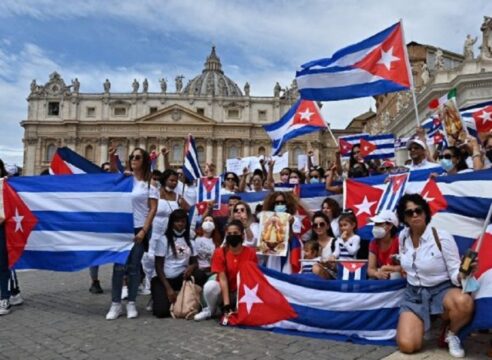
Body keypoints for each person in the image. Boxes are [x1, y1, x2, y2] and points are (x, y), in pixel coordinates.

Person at [395, 194, 475, 358]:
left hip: (441, 290)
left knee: (464, 302)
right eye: (410, 213)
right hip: (414, 294)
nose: (415, 215)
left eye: (419, 210)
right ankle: (428, 324)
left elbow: (454, 271)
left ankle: (452, 333)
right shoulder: (403, 237)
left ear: (426, 212)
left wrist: (463, 274)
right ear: (404, 218)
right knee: (408, 346)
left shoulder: (442, 237)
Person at [106, 147, 158, 320]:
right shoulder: (125, 179)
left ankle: (131, 303)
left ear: (144, 161)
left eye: (137, 157)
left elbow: (152, 209)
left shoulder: (151, 183)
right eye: (131, 157)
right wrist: (112, 157)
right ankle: (115, 304)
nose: (134, 159)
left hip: (139, 228)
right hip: (122, 227)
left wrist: (144, 230)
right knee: (119, 267)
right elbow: (112, 174)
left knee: (134, 268)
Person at [193, 220, 258, 321]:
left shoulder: (251, 253)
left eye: (235, 233)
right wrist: (226, 305)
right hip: (224, 290)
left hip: (242, 290)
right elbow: (222, 279)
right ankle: (210, 310)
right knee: (210, 286)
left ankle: (237, 308)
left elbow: (250, 279)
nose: (232, 236)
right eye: (229, 234)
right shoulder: (220, 252)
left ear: (242, 235)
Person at [151, 209, 207, 318]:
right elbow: (158, 266)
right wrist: (168, 289)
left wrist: (191, 267)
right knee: (161, 312)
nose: (180, 224)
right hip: (164, 280)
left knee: (200, 275)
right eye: (177, 221)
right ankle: (163, 296)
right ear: (171, 222)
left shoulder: (190, 241)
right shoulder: (163, 240)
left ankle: (193, 299)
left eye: (183, 221)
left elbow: (195, 262)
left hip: (181, 277)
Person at [142, 169, 188, 297]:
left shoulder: (178, 196)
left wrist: (183, 204)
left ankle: (158, 289)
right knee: (150, 259)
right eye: (171, 180)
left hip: (169, 235)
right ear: (164, 180)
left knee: (163, 260)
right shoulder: (154, 194)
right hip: (155, 231)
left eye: (175, 181)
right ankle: (148, 285)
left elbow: (188, 209)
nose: (174, 183)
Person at [89, 162, 111, 295]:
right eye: (106, 170)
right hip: (98, 224)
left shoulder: (119, 186)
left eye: (110, 170)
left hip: (113, 224)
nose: (109, 172)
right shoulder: (96, 187)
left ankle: (122, 281)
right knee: (94, 254)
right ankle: (94, 281)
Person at [367, 210, 401, 280]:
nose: (375, 227)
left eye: (379, 224)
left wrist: (388, 268)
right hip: (381, 277)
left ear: (390, 226)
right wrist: (377, 274)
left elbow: (407, 267)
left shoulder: (399, 241)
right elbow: (370, 269)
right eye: (375, 224)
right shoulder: (374, 242)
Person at [309, 212, 339, 279]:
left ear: (328, 226)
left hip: (332, 278)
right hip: (312, 275)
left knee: (316, 268)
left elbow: (340, 268)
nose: (318, 227)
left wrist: (329, 265)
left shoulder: (336, 242)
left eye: (322, 224)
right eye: (315, 225)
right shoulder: (309, 243)